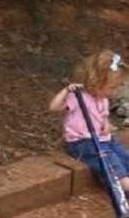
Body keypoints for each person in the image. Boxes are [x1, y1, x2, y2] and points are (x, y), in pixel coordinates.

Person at [49, 50, 129, 191]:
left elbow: (102, 117)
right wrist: (66, 90)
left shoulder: (103, 99)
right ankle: (124, 186)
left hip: (104, 140)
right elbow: (54, 107)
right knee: (111, 163)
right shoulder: (79, 97)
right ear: (96, 82)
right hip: (83, 143)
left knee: (123, 155)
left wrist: (106, 124)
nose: (115, 91)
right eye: (112, 87)